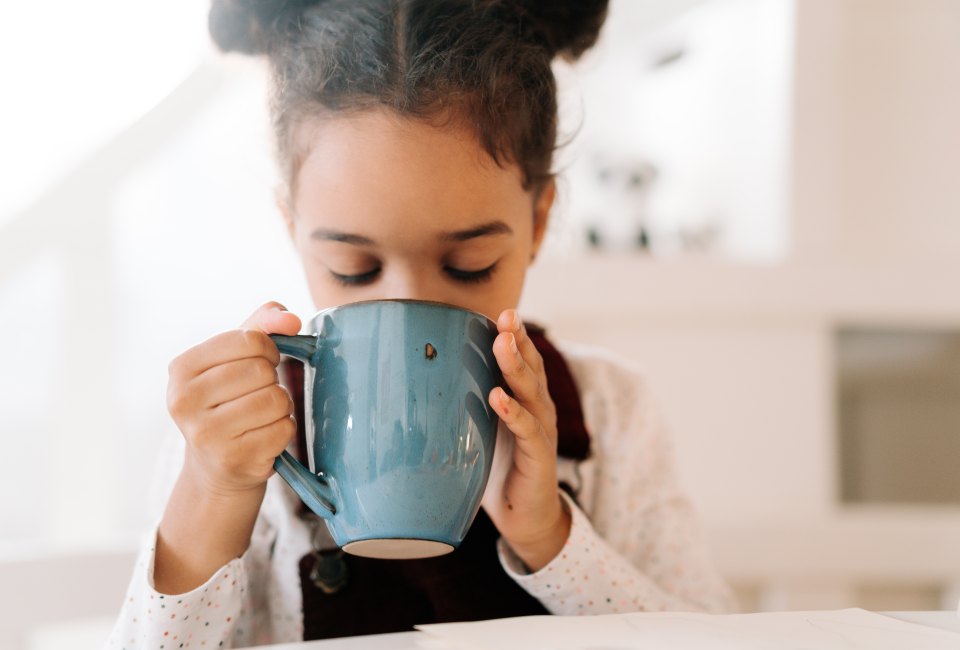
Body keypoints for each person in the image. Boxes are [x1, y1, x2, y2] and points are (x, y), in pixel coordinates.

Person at [106, 0, 735, 647]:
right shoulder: (235, 438)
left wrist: (552, 538)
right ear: (292, 227)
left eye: (469, 265)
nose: (409, 304)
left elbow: (709, 639)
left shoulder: (609, 415)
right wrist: (210, 499)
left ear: (539, 221)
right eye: (353, 268)